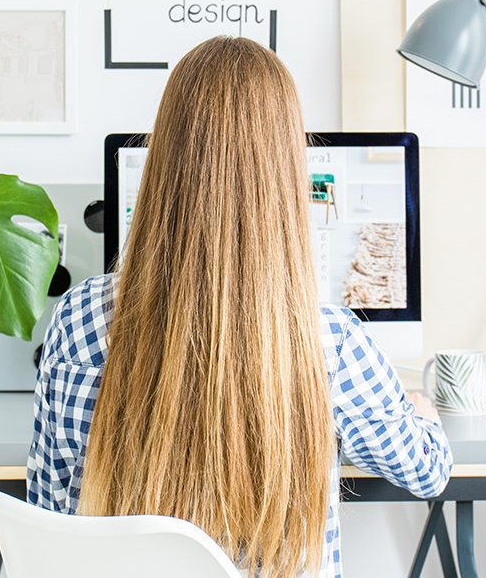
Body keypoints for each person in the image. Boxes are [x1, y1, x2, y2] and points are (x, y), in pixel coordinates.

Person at [27, 36, 451, 578]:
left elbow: (49, 504)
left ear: (164, 162)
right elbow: (429, 471)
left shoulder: (78, 320)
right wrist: (422, 414)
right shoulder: (328, 342)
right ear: (285, 175)